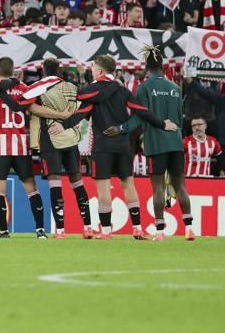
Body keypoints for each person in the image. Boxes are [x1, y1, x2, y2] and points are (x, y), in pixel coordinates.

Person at [51, 54, 177, 239]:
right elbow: (141, 110)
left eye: (93, 67)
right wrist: (162, 123)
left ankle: (107, 231)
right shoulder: (123, 90)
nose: (91, 69)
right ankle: (137, 228)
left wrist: (64, 125)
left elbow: (82, 110)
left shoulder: (92, 90)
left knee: (103, 187)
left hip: (102, 146)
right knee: (128, 185)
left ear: (100, 70)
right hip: (123, 144)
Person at [111, 47, 195, 240]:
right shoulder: (175, 88)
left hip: (156, 144)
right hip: (176, 143)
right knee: (181, 185)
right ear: (163, 67)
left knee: (157, 187)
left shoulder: (144, 87)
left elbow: (139, 118)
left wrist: (120, 129)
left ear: (147, 67)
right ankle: (189, 229)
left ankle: (159, 232)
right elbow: (181, 121)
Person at [25, 57, 93, 239]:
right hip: (71, 138)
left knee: (55, 182)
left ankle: (60, 231)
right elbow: (83, 104)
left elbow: (29, 107)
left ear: (42, 71)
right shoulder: (71, 87)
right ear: (60, 71)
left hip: (51, 139)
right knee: (77, 182)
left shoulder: (38, 87)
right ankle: (88, 227)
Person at [0, 57, 49, 238]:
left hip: (0, 148)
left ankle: (3, 231)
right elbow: (35, 108)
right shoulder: (22, 89)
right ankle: (40, 230)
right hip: (20, 147)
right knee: (31, 188)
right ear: (13, 71)